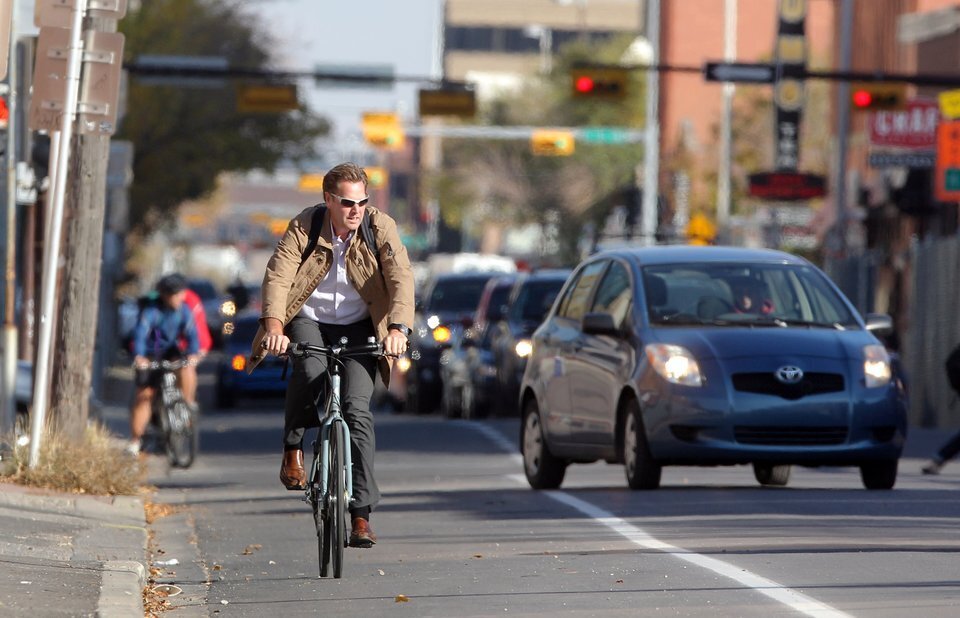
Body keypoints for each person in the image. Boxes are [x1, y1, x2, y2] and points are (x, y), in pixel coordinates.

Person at [247, 162, 414, 548]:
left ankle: (360, 515)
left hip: (359, 325)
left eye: (362, 202)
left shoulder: (378, 227)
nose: (355, 210)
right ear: (328, 200)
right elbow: (278, 275)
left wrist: (397, 330)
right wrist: (274, 327)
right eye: (346, 202)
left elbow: (401, 276)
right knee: (309, 369)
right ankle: (293, 446)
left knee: (357, 411)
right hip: (310, 319)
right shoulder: (304, 226)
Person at [128, 273, 201, 455]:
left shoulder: (183, 311)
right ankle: (136, 440)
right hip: (151, 353)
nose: (180, 298)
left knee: (186, 368)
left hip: (171, 351)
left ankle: (188, 404)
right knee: (144, 395)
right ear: (165, 296)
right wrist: (139, 357)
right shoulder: (152, 311)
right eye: (176, 295)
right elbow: (139, 335)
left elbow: (193, 335)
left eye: (182, 294)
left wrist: (193, 354)